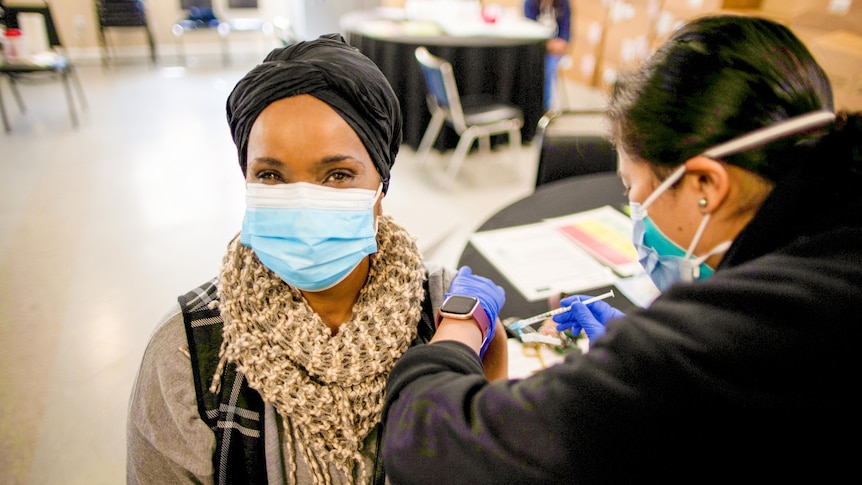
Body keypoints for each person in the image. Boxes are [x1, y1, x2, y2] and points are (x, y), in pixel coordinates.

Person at [380, 15, 861, 482]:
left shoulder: (732, 340)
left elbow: (427, 443)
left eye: (634, 190)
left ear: (705, 185)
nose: (635, 210)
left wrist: (460, 329)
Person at [126, 34, 507, 485]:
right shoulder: (186, 355)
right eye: (271, 175)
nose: (304, 204)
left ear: (380, 188)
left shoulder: (449, 314)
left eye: (338, 175)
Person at [524, 0, 571, 109]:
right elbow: (529, 29)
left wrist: (560, 43)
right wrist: (546, 44)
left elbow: (566, 31)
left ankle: (545, 107)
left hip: (554, 49)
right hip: (535, 47)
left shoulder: (564, 4)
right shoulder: (530, 3)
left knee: (549, 68)